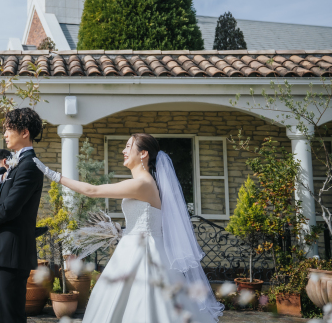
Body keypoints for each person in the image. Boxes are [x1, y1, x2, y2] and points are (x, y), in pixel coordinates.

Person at [34, 133, 223, 323]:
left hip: (143, 252)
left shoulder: (142, 184)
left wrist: (53, 175)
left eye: (128, 146)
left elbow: (92, 190)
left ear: (143, 153)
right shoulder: (146, 183)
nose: (123, 151)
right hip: (134, 245)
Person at [0, 107, 44, 323]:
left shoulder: (30, 166)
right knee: (4, 316)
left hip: (12, 254)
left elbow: (10, 209)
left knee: (11, 317)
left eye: (8, 129)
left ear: (24, 132)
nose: (5, 134)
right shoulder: (15, 164)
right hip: (1, 252)